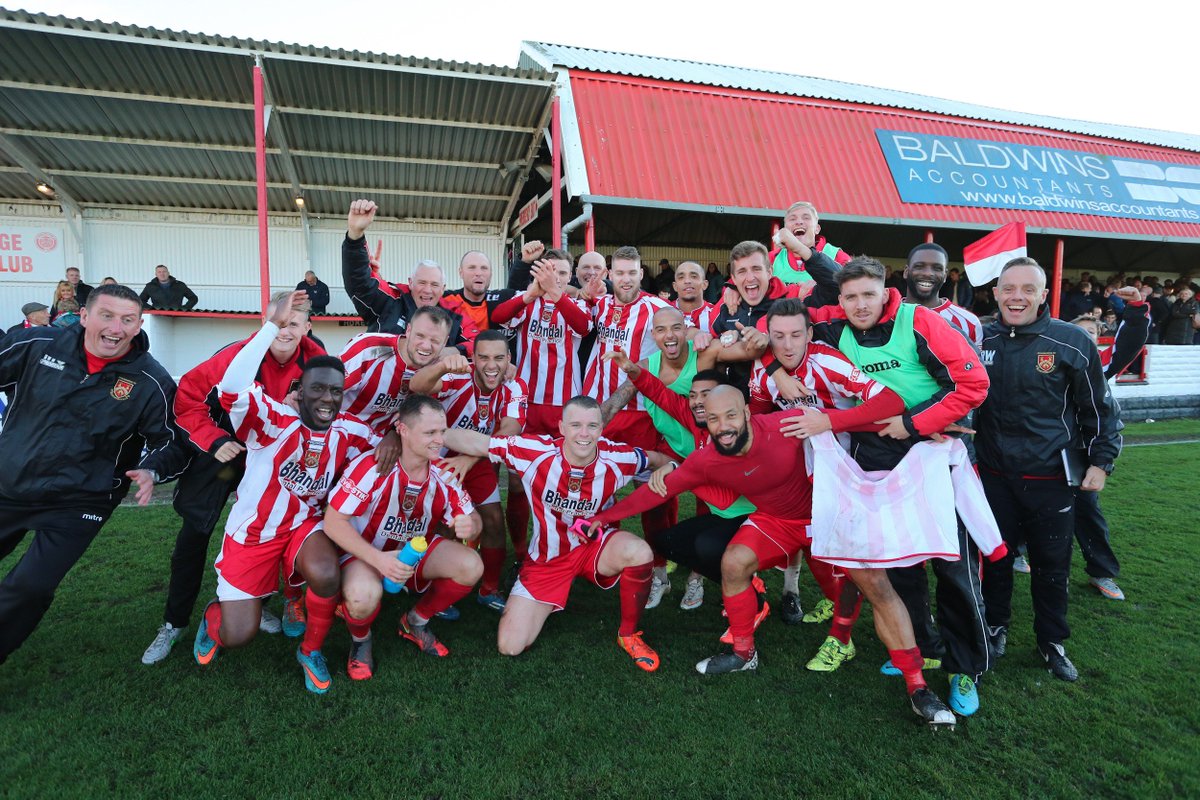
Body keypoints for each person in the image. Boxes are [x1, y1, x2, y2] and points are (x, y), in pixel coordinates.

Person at [191, 293, 376, 694]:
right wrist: (270, 327)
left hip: (303, 526)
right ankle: (214, 617)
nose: (326, 399)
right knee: (239, 634)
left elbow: (392, 447)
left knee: (326, 573)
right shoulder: (273, 419)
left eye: (335, 391)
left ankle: (310, 650)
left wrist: (394, 438)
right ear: (298, 391)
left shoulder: (351, 430)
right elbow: (232, 387)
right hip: (255, 532)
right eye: (316, 389)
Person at [0, 284, 186, 665]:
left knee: (30, 587)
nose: (116, 328)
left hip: (81, 500)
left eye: (128, 320)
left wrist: (152, 469)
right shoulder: (36, 345)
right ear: (84, 316)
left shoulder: (149, 380)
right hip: (9, 483)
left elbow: (174, 440)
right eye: (107, 315)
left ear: (139, 325)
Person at [141, 290, 326, 666]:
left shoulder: (317, 360)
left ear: (307, 327)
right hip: (228, 457)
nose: (284, 331)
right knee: (196, 531)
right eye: (277, 321)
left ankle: (252, 602)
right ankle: (174, 622)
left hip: (272, 463)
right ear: (264, 321)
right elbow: (187, 399)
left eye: (293, 323)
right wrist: (214, 439)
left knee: (272, 531)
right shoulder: (237, 354)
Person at [443, 395, 673, 671]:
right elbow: (476, 441)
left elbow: (659, 459)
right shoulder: (534, 451)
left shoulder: (618, 457)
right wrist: (430, 432)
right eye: (576, 425)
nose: (584, 434)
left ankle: (628, 634)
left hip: (595, 548)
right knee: (510, 645)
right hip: (547, 560)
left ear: (601, 429)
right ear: (562, 427)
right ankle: (546, 601)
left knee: (639, 552)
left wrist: (670, 466)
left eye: (592, 426)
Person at [976, 258, 1123, 683]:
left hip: (1050, 477)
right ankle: (995, 626)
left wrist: (1101, 462)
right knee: (997, 558)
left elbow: (1099, 408)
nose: (1016, 297)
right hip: (993, 475)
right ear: (996, 293)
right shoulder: (978, 337)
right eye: (1008, 288)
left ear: (1043, 294)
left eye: (1028, 289)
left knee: (1052, 565)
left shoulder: (1070, 341)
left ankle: (1051, 641)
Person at [323, 395, 482, 678]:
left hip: (414, 552)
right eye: (430, 433)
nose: (439, 440)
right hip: (366, 554)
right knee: (361, 598)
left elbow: (474, 519)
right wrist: (380, 561)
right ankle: (361, 640)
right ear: (403, 430)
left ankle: (414, 621)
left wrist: (470, 525)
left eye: (442, 431)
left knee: (471, 565)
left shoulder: (444, 473)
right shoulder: (372, 466)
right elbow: (333, 523)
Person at [409, 329, 528, 610]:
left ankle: (489, 588)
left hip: (477, 459)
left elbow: (511, 429)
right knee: (443, 524)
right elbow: (416, 385)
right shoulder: (458, 377)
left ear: (509, 358)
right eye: (484, 357)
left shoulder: (515, 385)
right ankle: (432, 586)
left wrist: (469, 459)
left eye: (499, 358)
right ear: (473, 358)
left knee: (493, 519)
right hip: (439, 460)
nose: (491, 365)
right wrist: (441, 366)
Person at [489, 251, 592, 551]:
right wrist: (531, 293)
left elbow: (583, 327)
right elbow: (497, 317)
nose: (554, 277)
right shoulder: (526, 299)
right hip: (525, 405)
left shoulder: (577, 303)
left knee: (566, 482)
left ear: (570, 276)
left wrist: (555, 292)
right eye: (549, 270)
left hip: (564, 407)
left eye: (561, 273)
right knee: (518, 482)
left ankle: (565, 548)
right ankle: (522, 551)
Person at [341, 200, 475, 352]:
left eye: (434, 284)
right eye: (422, 282)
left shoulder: (454, 317)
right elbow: (360, 282)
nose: (427, 290)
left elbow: (477, 343)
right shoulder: (390, 301)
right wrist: (355, 236)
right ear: (410, 283)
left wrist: (449, 352)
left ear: (443, 288)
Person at [767, 201, 852, 286]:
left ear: (817, 229)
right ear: (785, 229)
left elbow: (850, 286)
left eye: (806, 218)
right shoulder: (771, 259)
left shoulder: (837, 256)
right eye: (792, 219)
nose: (799, 222)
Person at [672, 261, 717, 333]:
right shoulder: (662, 312)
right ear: (675, 286)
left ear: (705, 284)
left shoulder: (717, 315)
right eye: (681, 277)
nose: (687, 281)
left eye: (693, 276)